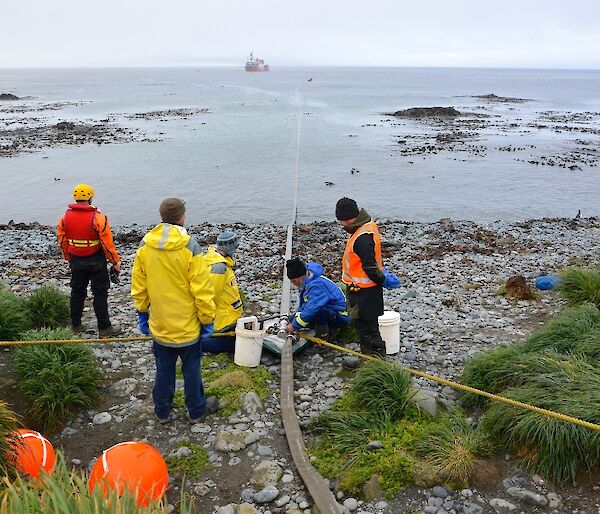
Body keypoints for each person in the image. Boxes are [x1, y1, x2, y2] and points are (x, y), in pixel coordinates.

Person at [131, 197, 218, 424]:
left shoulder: (145, 246)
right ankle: (196, 411)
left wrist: (142, 313)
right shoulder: (190, 247)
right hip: (188, 326)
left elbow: (139, 285)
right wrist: (207, 320)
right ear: (182, 217)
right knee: (191, 370)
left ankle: (163, 411)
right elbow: (202, 290)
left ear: (162, 217)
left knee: (163, 370)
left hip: (160, 325)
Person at [335, 197, 400, 355]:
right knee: (365, 327)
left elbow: (369, 266)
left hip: (366, 292)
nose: (342, 225)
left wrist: (383, 279)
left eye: (342, 221)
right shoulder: (366, 227)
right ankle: (369, 358)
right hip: (363, 289)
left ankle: (376, 361)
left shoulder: (362, 238)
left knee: (368, 329)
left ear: (349, 218)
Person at [57, 183, 122, 336]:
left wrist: (68, 257)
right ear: (91, 198)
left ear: (75, 198)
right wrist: (115, 262)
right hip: (96, 261)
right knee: (100, 293)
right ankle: (105, 328)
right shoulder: (98, 217)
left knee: (77, 291)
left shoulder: (65, 217)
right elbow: (107, 243)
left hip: (76, 260)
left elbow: (62, 240)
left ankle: (75, 326)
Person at [285, 257, 350, 340]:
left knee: (318, 312)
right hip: (330, 311)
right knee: (293, 319)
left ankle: (323, 340)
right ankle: (321, 328)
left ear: (301, 277)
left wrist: (294, 326)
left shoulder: (316, 285)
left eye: (294, 281)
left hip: (340, 316)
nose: (294, 284)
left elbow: (313, 307)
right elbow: (304, 305)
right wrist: (294, 320)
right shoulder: (307, 282)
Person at [202, 231, 243, 353]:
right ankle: (196, 344)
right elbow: (212, 296)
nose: (236, 250)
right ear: (229, 248)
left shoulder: (221, 262)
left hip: (229, 316)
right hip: (223, 321)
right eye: (235, 247)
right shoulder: (219, 268)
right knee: (231, 346)